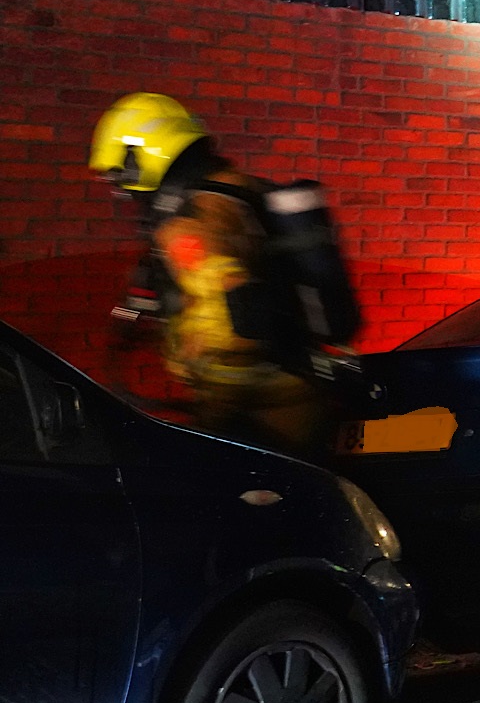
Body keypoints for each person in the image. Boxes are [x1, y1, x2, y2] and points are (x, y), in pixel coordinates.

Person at [90, 92, 339, 461]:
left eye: (121, 173)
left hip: (263, 420)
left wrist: (210, 425)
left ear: (141, 157)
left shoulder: (191, 222)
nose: (122, 189)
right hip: (302, 396)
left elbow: (234, 335)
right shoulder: (238, 188)